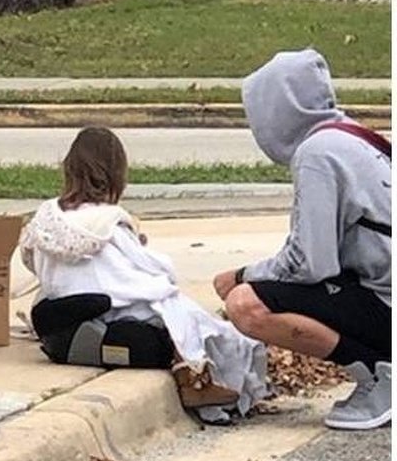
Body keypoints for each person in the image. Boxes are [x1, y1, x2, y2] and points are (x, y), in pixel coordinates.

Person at [18, 126, 268, 417]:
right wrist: (144, 251)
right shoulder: (110, 221)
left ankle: (194, 376)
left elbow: (31, 261)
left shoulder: (46, 219)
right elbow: (145, 271)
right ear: (117, 174)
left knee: (169, 310)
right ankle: (195, 379)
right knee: (175, 307)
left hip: (64, 316)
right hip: (110, 308)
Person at [213, 48, 391, 431]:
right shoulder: (351, 137)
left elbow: (311, 263)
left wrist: (242, 276)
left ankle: (380, 375)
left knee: (246, 304)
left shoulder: (317, 154)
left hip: (386, 301)